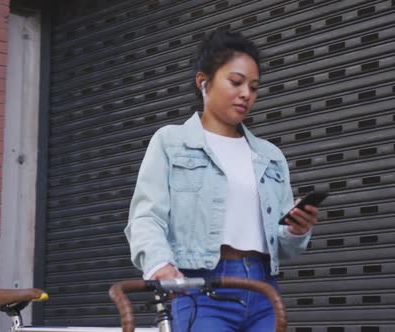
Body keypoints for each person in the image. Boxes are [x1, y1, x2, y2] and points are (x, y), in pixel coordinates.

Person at [125, 30, 319, 332]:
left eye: (254, 87)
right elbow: (146, 217)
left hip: (263, 290)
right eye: (236, 82)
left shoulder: (270, 156)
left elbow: (285, 248)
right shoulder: (171, 142)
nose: (246, 94)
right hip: (200, 289)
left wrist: (296, 230)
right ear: (204, 82)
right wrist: (159, 265)